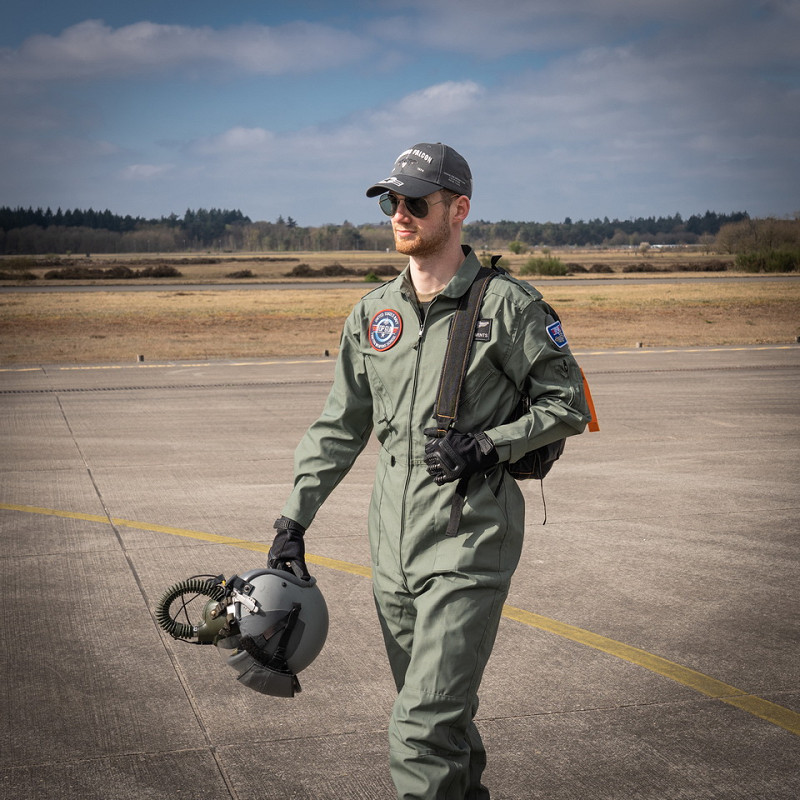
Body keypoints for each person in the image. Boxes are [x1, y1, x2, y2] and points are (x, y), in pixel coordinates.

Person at [268, 142, 590, 799]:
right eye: (392, 201)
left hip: (469, 538)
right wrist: (292, 522)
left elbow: (567, 405)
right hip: (391, 546)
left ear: (458, 209)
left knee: (419, 729)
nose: (400, 214)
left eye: (416, 202)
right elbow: (340, 426)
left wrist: (490, 445)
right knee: (444, 719)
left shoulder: (509, 307)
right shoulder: (373, 314)